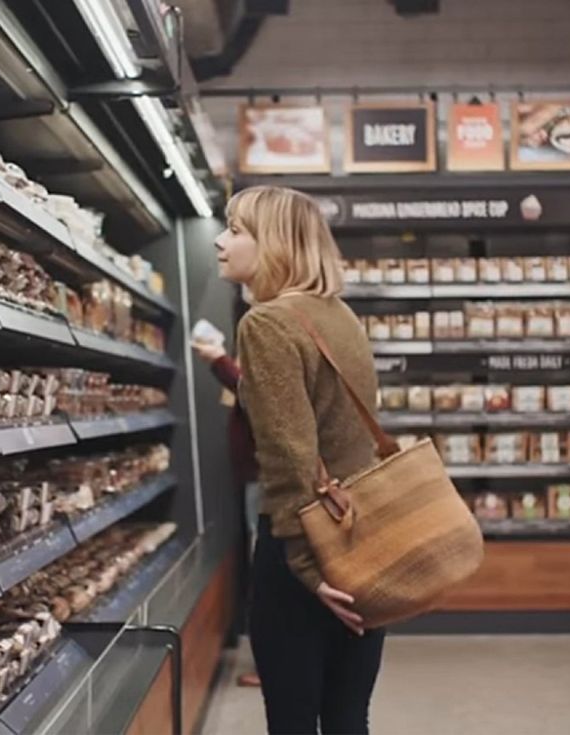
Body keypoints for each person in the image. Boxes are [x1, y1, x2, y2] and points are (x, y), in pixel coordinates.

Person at [215, 184, 385, 734]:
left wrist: (310, 571)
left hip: (302, 553)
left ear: (274, 244)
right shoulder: (339, 317)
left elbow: (290, 455)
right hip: (361, 539)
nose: (221, 241)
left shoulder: (265, 324)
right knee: (347, 717)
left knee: (291, 722)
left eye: (236, 230)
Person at [191, 333, 262, 689]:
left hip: (266, 481)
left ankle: (276, 663)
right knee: (266, 565)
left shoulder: (268, 332)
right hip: (258, 480)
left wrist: (220, 360)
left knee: (267, 569)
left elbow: (255, 395)